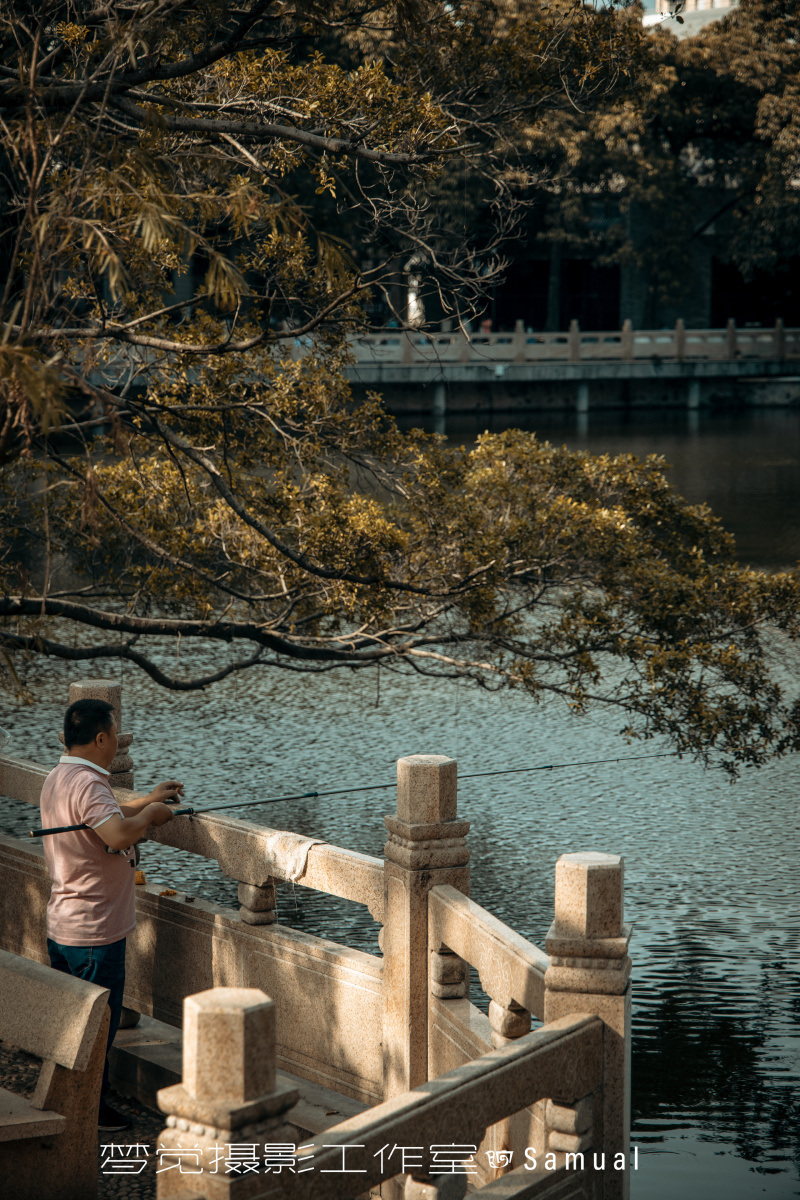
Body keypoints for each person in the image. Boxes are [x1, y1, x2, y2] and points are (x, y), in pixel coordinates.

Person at [40, 698, 183, 1132]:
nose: (118, 740)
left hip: (64, 923)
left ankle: (67, 1100)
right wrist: (153, 814)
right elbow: (117, 835)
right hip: (94, 933)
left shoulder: (61, 776)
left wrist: (147, 799)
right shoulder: (88, 784)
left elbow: (102, 818)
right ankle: (90, 1112)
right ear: (101, 738)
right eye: (116, 733)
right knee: (96, 1029)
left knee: (71, 1025)